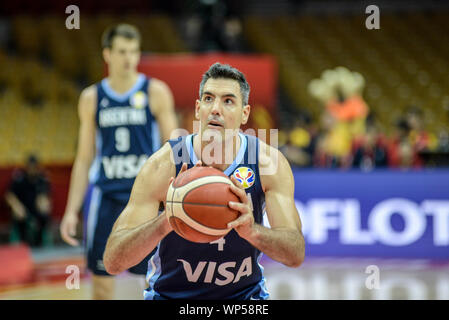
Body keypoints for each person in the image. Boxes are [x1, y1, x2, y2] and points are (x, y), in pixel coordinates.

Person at [103, 63, 305, 299]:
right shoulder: (162, 165)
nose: (216, 109)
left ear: (245, 114)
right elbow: (113, 262)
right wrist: (166, 221)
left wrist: (253, 232)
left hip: (244, 298)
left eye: (228, 101)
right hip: (170, 297)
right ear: (198, 109)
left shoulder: (268, 164)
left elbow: (295, 254)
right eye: (209, 99)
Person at [59, 24, 178, 300]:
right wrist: (71, 210)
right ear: (107, 54)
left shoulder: (155, 91)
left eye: (134, 52)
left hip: (145, 199)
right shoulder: (91, 98)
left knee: (151, 284)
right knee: (101, 286)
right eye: (122, 51)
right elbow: (84, 157)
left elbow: (175, 150)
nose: (129, 58)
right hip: (106, 198)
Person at [5, 155, 51, 247]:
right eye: (30, 167)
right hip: (22, 210)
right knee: (20, 217)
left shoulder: (41, 179)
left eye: (34, 167)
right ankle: (23, 241)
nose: (32, 169)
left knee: (44, 215)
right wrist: (17, 206)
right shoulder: (19, 178)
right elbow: (9, 195)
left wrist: (44, 204)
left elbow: (45, 196)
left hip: (36, 209)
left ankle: (39, 242)